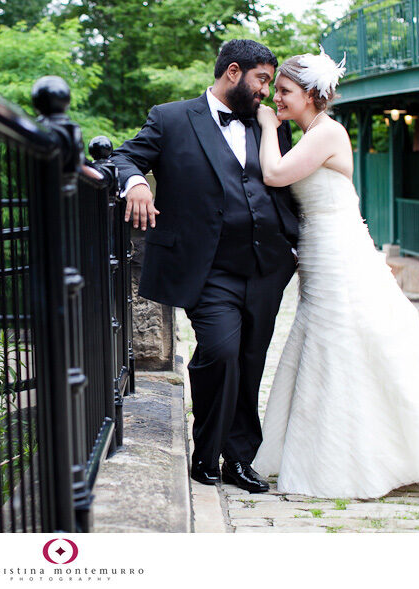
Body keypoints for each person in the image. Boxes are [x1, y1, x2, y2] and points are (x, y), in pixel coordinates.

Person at [252, 47, 419, 498]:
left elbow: (274, 173)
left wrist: (269, 126)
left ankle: (358, 460)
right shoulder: (311, 132)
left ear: (310, 95)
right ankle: (323, 448)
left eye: (285, 92)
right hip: (318, 251)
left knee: (343, 339)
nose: (277, 100)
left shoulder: (327, 133)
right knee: (321, 340)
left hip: (339, 251)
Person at [111, 39, 300, 493]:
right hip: (208, 268)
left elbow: (286, 179)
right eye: (261, 79)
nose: (266, 91)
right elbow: (123, 156)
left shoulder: (267, 123)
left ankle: (238, 459)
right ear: (233, 72)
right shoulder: (171, 117)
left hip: (265, 265)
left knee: (252, 360)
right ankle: (206, 450)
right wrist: (136, 182)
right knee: (220, 351)